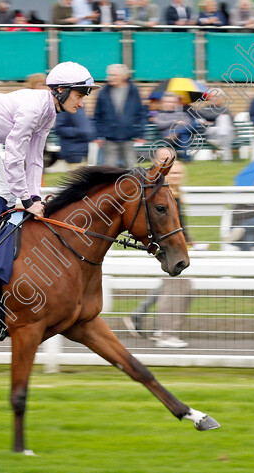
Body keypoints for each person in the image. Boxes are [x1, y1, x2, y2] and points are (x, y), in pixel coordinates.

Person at [0, 61, 100, 274]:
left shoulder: (49, 114)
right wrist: (25, 199)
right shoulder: (34, 109)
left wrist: (34, 197)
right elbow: (15, 156)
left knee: (7, 193)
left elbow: (35, 158)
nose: (81, 103)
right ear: (61, 90)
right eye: (79, 96)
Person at [124, 157, 193, 348]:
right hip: (165, 246)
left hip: (173, 246)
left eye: (180, 173)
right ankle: (164, 333)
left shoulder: (175, 196)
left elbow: (180, 228)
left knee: (174, 285)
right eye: (174, 173)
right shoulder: (164, 196)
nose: (178, 176)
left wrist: (190, 242)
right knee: (176, 284)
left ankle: (138, 316)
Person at [93, 63, 147, 168]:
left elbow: (140, 113)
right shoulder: (103, 92)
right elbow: (97, 116)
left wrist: (140, 134)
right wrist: (98, 136)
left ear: (124, 76)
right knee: (109, 169)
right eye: (109, 75)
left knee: (130, 169)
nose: (110, 78)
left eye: (114, 75)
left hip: (129, 137)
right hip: (110, 138)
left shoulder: (134, 91)